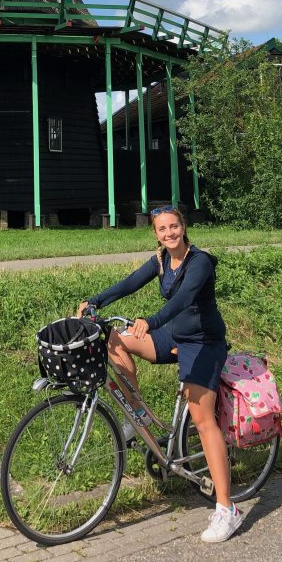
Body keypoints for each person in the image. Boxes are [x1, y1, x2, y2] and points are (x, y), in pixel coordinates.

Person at [77, 205, 243, 544]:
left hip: (203, 342)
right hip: (174, 335)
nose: (169, 233)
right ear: (155, 233)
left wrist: (151, 321)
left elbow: (182, 300)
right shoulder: (160, 260)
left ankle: (227, 509)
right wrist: (94, 301)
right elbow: (128, 284)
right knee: (116, 339)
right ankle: (135, 418)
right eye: (162, 229)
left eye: (174, 227)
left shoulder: (200, 262)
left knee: (203, 419)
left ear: (183, 228)